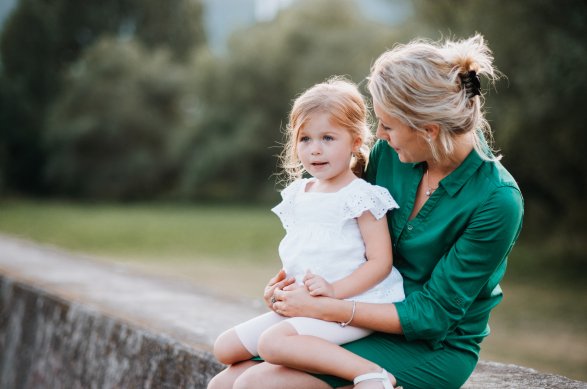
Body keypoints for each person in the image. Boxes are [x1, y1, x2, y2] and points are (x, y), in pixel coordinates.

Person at [208, 34, 524, 389]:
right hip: (356, 308)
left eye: (387, 125)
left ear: (429, 130)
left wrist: (325, 308)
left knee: (260, 384)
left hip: (430, 344)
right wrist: (291, 284)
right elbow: (344, 232)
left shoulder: (497, 200)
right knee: (225, 382)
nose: (379, 135)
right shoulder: (393, 153)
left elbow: (433, 316)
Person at [211, 78, 405, 389]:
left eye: (328, 138)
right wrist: (280, 291)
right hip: (305, 305)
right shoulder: (298, 193)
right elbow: (306, 253)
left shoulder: (362, 196)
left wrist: (333, 292)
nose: (315, 149)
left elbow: (380, 263)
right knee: (224, 348)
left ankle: (372, 374)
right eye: (305, 139)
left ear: (355, 141)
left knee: (272, 343)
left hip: (352, 304)